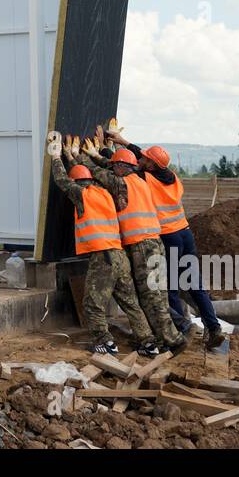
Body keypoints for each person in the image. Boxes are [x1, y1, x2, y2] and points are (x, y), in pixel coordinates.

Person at [108, 126, 226, 349]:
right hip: (185, 233)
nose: (142, 159)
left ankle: (180, 329)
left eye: (146, 159)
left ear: (150, 165)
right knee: (195, 285)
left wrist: (109, 153)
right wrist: (122, 141)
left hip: (170, 237)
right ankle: (214, 327)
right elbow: (144, 158)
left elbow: (127, 167)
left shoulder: (146, 178)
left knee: (169, 287)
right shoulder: (173, 178)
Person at [46, 132, 162, 356]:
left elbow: (62, 182)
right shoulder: (106, 193)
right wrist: (76, 158)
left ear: (78, 182)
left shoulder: (82, 194)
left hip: (104, 257)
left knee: (92, 303)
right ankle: (148, 342)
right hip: (120, 256)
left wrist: (56, 157)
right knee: (130, 302)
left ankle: (105, 342)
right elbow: (101, 175)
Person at [80, 136, 186, 355]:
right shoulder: (140, 179)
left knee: (151, 296)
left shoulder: (121, 183)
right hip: (154, 243)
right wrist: (102, 153)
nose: (113, 168)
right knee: (156, 294)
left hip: (142, 246)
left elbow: (98, 173)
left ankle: (173, 340)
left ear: (121, 167)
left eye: (115, 166)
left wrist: (78, 157)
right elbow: (109, 168)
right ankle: (162, 338)